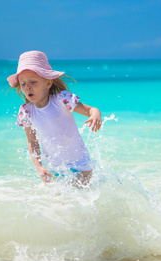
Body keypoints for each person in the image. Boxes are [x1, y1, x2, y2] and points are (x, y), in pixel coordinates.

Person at [7, 51, 102, 186]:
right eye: (23, 83)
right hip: (55, 169)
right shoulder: (26, 111)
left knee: (80, 201)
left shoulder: (62, 99)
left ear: (48, 83)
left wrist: (95, 115)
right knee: (59, 204)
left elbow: (91, 110)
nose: (27, 87)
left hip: (81, 166)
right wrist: (39, 167)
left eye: (33, 82)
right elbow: (32, 142)